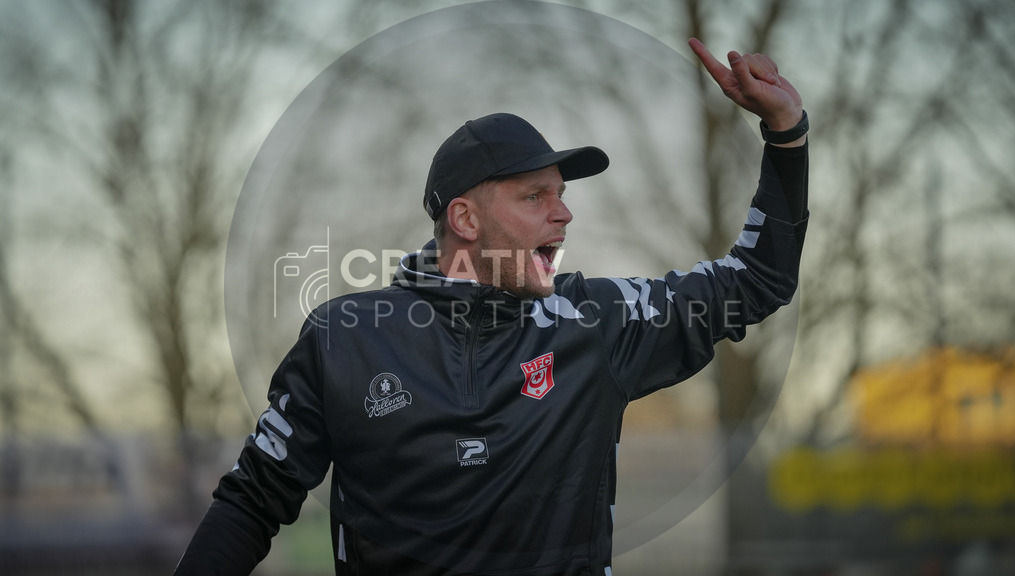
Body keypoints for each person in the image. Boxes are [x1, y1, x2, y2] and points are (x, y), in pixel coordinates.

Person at [174, 38, 809, 575]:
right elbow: (253, 502)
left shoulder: (598, 323)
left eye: (560, 194)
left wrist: (785, 132)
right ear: (465, 218)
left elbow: (755, 279)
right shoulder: (345, 339)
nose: (563, 212)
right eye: (535, 196)